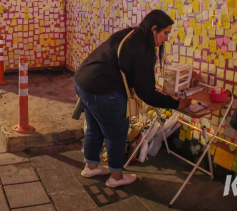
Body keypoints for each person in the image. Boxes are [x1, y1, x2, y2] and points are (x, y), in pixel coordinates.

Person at [73, 10, 197, 187]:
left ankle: (91, 166)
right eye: (166, 33)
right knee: (117, 132)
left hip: (82, 81)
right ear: (154, 29)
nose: (167, 38)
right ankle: (116, 177)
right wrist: (176, 103)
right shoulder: (143, 49)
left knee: (95, 126)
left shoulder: (131, 33)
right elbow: (147, 93)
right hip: (101, 90)